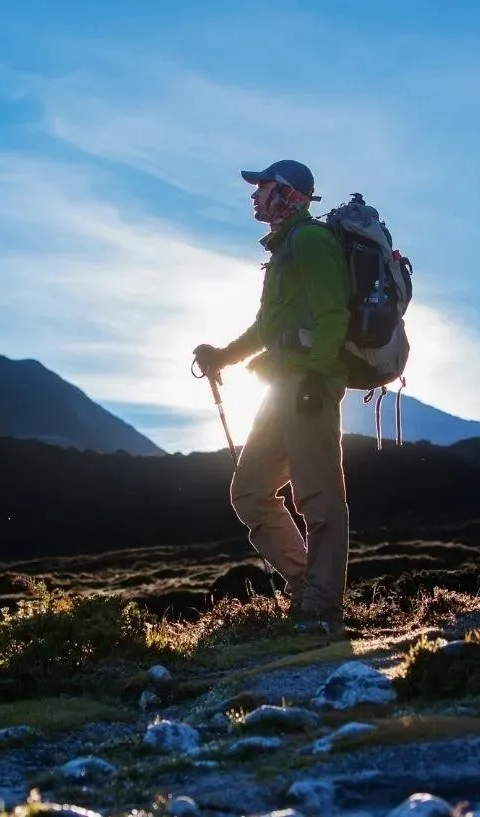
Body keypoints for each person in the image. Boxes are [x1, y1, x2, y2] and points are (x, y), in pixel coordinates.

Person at [193, 159, 351, 635]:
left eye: (262, 187)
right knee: (249, 492)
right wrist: (224, 355)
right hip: (282, 387)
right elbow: (268, 328)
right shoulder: (284, 250)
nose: (254, 195)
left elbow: (334, 314)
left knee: (319, 497)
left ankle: (322, 607)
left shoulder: (311, 242)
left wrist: (316, 380)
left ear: (286, 194)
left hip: (307, 386)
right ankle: (307, 589)